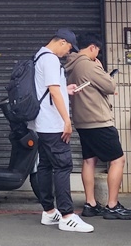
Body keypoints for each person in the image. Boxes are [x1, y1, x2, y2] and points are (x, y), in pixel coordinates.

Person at [29, 29, 93, 234]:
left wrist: (67, 90)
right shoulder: (50, 60)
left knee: (46, 167)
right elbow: (53, 91)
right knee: (63, 166)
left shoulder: (38, 56)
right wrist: (67, 121)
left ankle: (49, 211)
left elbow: (48, 89)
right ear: (62, 42)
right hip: (53, 124)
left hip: (42, 124)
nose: (69, 53)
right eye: (69, 48)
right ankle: (67, 215)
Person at [66, 33, 131, 221]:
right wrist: (101, 69)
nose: (97, 54)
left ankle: (91, 204)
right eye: (97, 51)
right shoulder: (88, 65)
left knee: (89, 160)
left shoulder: (72, 65)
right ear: (92, 48)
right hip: (98, 120)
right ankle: (112, 205)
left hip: (82, 121)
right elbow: (110, 86)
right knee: (118, 160)